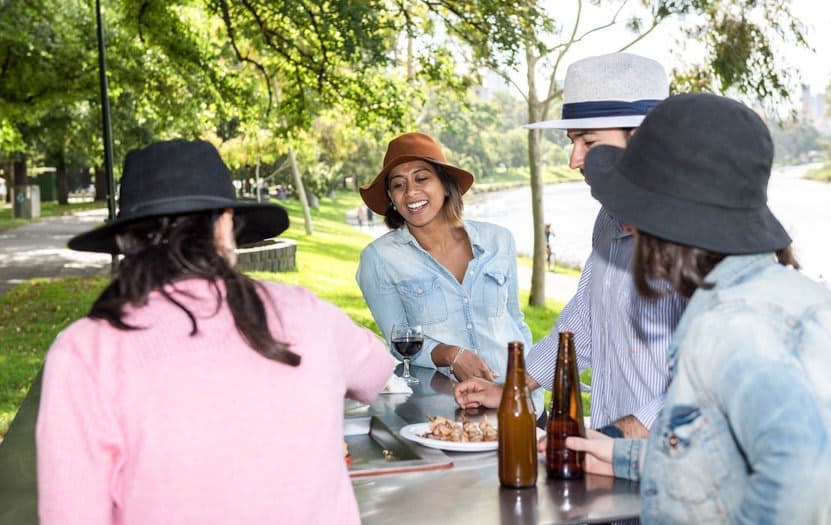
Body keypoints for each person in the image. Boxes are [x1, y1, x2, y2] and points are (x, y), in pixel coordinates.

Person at [565, 93, 831, 523]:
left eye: (633, 209)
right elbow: (732, 461)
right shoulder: (805, 300)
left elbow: (805, 480)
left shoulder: (729, 326)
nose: (625, 224)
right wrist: (626, 458)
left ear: (667, 220)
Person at [37, 140, 392, 524]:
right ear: (225, 225)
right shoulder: (307, 313)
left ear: (127, 240)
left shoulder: (85, 350)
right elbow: (376, 371)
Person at [455, 53, 685, 438]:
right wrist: (515, 386)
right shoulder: (609, 220)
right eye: (573, 141)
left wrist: (618, 436)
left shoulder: (699, 232)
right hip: (611, 450)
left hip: (674, 463)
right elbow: (585, 319)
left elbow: (710, 373)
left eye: (589, 141)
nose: (574, 159)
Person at [356, 132, 532, 383]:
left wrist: (529, 385)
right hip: (450, 408)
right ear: (392, 198)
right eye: (398, 184)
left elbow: (516, 322)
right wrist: (451, 354)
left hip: (519, 400)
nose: (411, 191)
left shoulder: (499, 240)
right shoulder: (378, 259)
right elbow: (400, 343)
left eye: (422, 178)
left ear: (445, 185)